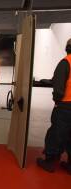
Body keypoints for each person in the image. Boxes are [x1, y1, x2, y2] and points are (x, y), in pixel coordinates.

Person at [36, 38, 71, 174]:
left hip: (66, 106)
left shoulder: (66, 62)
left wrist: (57, 101)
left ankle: (50, 161)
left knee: (57, 133)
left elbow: (58, 89)